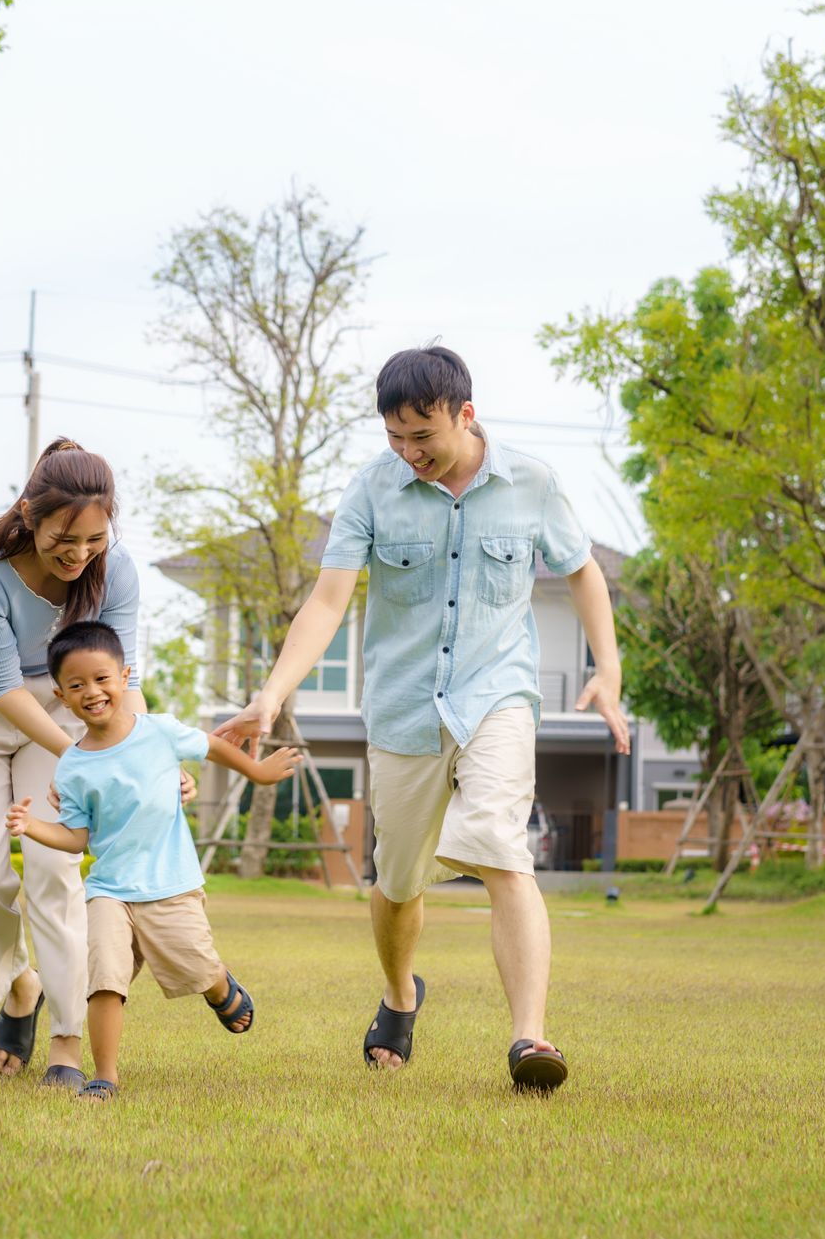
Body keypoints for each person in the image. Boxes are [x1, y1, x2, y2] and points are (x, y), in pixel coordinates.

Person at [216, 346, 631, 1094]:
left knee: (504, 847)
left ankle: (530, 1036)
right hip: (404, 708)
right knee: (399, 880)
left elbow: (582, 569)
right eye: (395, 439)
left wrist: (608, 668)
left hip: (496, 694)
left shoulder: (530, 481)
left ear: (465, 415)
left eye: (424, 438)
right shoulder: (373, 489)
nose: (410, 455)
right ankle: (401, 992)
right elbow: (328, 600)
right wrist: (273, 693)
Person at [0, 439, 192, 1090]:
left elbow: (121, 679)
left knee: (54, 869)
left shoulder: (116, 570)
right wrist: (87, 757)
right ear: (29, 516)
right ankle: (20, 985)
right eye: (63, 540)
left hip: (74, 710)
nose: (79, 556)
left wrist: (143, 757)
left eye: (95, 539)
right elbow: (2, 686)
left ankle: (68, 1043)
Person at [6, 620, 299, 1102]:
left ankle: (219, 987)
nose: (92, 692)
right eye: (77, 685)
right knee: (103, 979)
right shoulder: (74, 764)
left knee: (196, 967)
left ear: (124, 677)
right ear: (60, 695)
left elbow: (211, 746)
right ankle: (105, 1075)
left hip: (169, 885)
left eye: (102, 679)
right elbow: (77, 837)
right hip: (109, 890)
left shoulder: (159, 732)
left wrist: (258, 772)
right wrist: (31, 826)